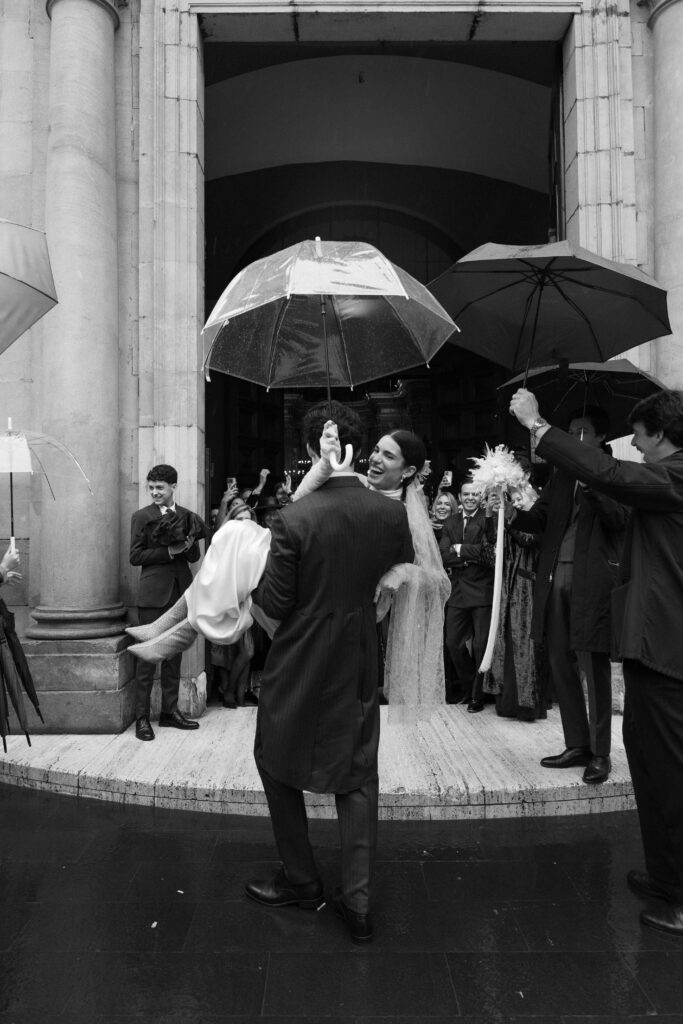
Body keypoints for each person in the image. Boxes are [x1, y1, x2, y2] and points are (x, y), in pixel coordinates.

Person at [510, 387, 683, 937]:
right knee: (652, 768)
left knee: (671, 775)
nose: (633, 443)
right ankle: (664, 878)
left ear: (662, 434)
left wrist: (538, 424)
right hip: (651, 644)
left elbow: (613, 479)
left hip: (669, 649)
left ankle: (680, 897)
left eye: (640, 435)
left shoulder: (677, 474)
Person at [245, 402, 415, 944]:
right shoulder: (391, 514)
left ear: (308, 449)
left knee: (273, 756)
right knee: (359, 772)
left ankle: (300, 879)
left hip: (299, 656)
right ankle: (359, 904)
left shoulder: (293, 518)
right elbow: (398, 572)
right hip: (358, 650)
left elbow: (272, 604)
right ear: (359, 449)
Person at [506, 407, 628, 784]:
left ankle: (601, 752)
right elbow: (539, 518)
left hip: (592, 583)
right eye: (571, 430)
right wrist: (510, 509)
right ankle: (576, 743)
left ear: (599, 438)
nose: (574, 436)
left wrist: (592, 482)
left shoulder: (616, 471)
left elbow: (620, 520)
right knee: (560, 662)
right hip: (554, 579)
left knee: (593, 667)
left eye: (582, 431)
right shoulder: (561, 473)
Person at [129, 464, 207, 741]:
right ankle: (141, 718)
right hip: (152, 595)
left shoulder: (187, 516)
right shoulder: (141, 517)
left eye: (160, 488)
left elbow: (195, 556)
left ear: (174, 486)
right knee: (147, 657)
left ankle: (169, 713)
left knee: (174, 655)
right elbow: (135, 557)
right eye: (151, 488)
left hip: (181, 593)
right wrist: (169, 551)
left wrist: (187, 547)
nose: (154, 492)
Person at [482, 476, 548, 721]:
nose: (517, 503)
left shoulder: (539, 524)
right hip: (508, 591)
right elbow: (491, 543)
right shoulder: (512, 523)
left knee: (525, 647)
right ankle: (507, 702)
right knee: (506, 644)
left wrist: (507, 519)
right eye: (515, 499)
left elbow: (527, 539)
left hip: (527, 591)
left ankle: (527, 704)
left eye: (521, 498)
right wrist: (491, 516)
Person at [439, 478, 495, 712]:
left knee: (481, 645)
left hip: (482, 590)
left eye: (474, 494)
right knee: (453, 643)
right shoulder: (450, 522)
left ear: (480, 497)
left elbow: (488, 553)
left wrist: (459, 548)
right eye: (466, 494)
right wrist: (469, 555)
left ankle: (477, 696)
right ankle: (470, 684)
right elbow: (443, 555)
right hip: (457, 591)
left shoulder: (487, 519)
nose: (470, 498)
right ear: (460, 498)